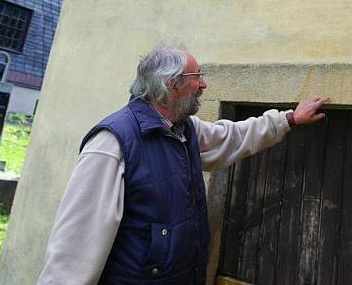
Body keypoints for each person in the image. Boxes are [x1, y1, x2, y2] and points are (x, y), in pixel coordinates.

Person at [38, 43, 328, 284]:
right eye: (196, 76)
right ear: (171, 84)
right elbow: (75, 247)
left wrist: (288, 119)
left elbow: (232, 137)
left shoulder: (184, 129)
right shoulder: (112, 143)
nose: (203, 84)